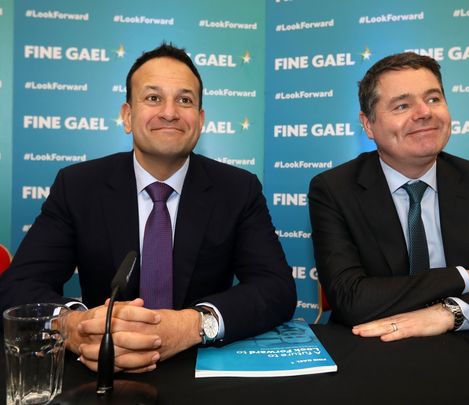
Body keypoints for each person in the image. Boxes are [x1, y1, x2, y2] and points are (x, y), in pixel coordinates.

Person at [0, 43, 296, 373]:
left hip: (200, 366)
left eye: (184, 100)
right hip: (101, 367)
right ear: (127, 116)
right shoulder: (78, 185)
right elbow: (18, 286)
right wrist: (75, 327)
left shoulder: (238, 189)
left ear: (199, 120)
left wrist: (192, 325)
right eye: (153, 98)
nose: (169, 112)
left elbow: (276, 289)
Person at [308, 52, 469, 342]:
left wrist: (452, 311)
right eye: (402, 105)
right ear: (368, 124)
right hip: (373, 349)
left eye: (433, 99)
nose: (424, 112)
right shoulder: (335, 190)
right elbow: (352, 299)